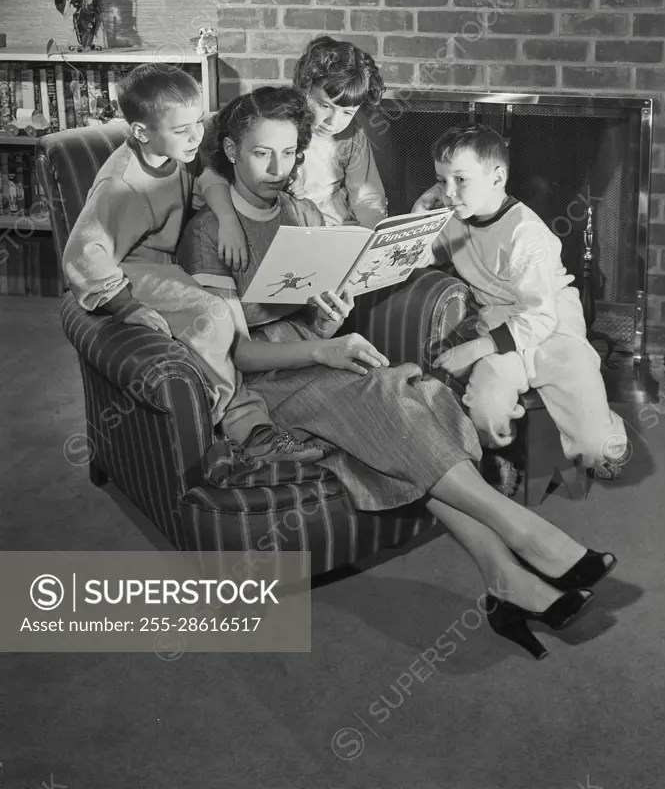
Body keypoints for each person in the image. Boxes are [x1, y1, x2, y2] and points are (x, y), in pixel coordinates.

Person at [175, 86, 618, 661]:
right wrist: (322, 351)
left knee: (413, 405)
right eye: (262, 154)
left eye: (288, 154)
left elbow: (321, 318)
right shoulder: (208, 234)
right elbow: (236, 356)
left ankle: (506, 583)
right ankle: (527, 534)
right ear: (232, 151)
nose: (277, 169)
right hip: (266, 380)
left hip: (317, 359)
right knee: (392, 400)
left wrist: (329, 319)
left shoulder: (304, 213)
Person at [61, 62, 305, 461]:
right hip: (131, 271)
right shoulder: (120, 186)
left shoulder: (179, 152)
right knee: (214, 315)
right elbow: (83, 252)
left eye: (197, 123)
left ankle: (235, 418)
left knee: (226, 317)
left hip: (169, 266)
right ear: (142, 133)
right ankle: (241, 427)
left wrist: (226, 217)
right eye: (181, 130)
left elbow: (206, 176)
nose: (195, 137)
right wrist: (126, 305)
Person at [423, 123, 630, 480]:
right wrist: (420, 212)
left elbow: (539, 315)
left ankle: (604, 435)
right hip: (501, 326)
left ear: (497, 177)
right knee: (486, 410)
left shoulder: (525, 234)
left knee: (596, 442)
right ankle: (504, 453)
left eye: (460, 179)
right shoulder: (453, 220)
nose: (449, 192)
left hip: (550, 324)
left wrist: (474, 350)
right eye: (441, 181)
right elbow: (422, 256)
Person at [203, 36, 388, 271]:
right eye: (324, 106)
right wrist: (227, 219)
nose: (333, 121)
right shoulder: (280, 122)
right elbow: (215, 173)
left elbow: (367, 196)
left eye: (347, 113)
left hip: (336, 227)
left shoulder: (353, 136)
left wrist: (368, 235)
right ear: (305, 88)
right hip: (285, 225)